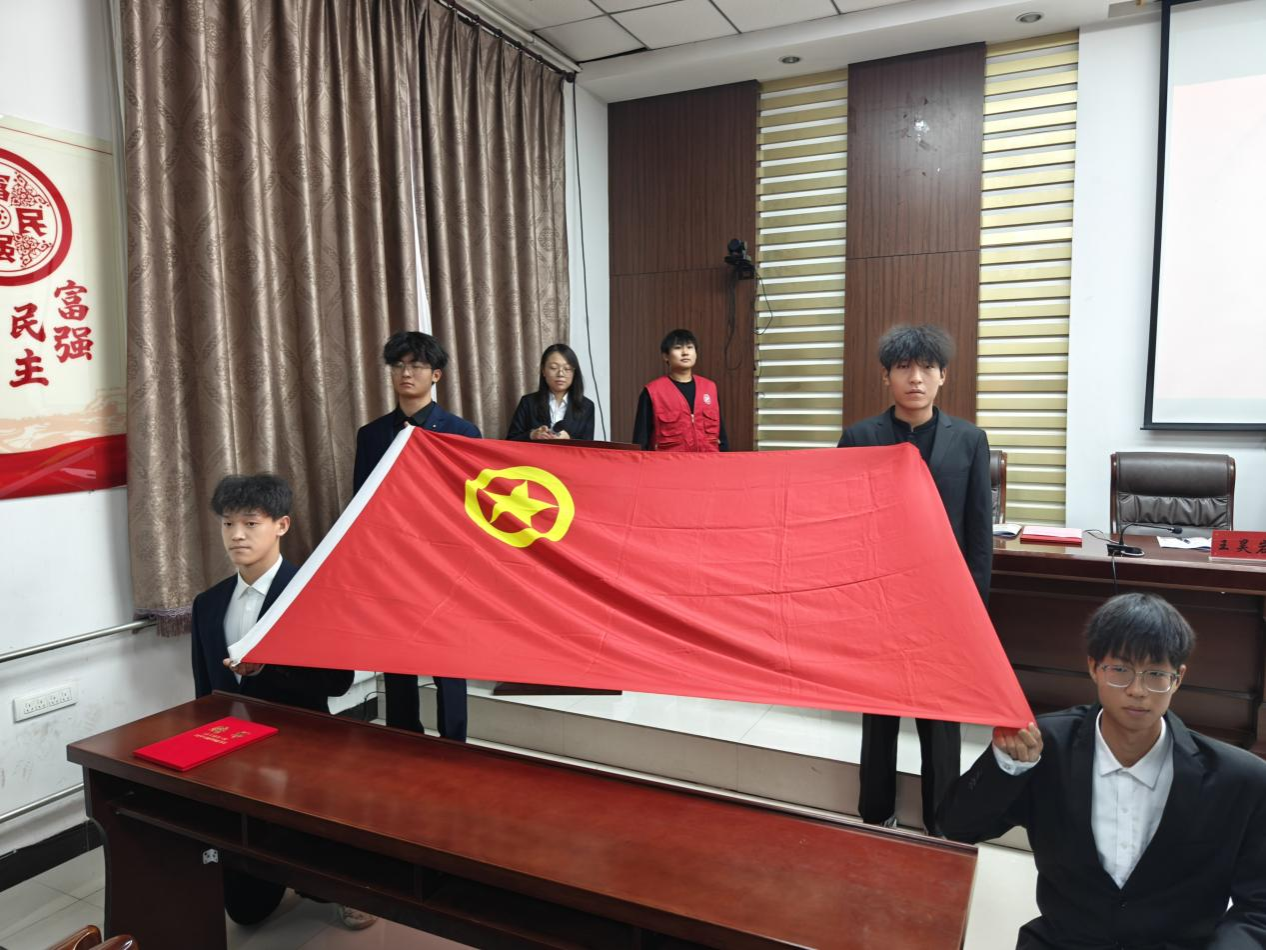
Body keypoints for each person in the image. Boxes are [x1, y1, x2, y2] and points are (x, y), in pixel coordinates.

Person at [939, 593, 1266, 948]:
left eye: (1156, 674)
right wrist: (1008, 767)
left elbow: (1258, 908)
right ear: (1094, 667)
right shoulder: (1044, 747)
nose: (1137, 691)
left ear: (1178, 678)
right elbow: (957, 827)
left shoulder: (1240, 779)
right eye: (1120, 670)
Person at [192, 473, 373, 931]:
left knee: (317, 842)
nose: (237, 535)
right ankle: (268, 874)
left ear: (282, 525)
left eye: (251, 523)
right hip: (238, 749)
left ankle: (345, 887)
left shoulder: (313, 595)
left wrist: (269, 668)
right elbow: (205, 690)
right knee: (245, 910)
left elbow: (338, 682)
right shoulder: (208, 603)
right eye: (228, 523)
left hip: (304, 744)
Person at [837, 323, 991, 835]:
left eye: (927, 368)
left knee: (941, 718)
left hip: (943, 602)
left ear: (943, 376)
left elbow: (978, 532)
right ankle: (875, 811)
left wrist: (973, 608)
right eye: (904, 368)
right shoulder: (860, 438)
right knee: (878, 713)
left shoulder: (969, 440)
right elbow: (842, 526)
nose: (916, 378)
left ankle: (941, 822)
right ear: (887, 377)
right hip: (878, 599)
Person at [353, 330, 479, 742]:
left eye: (417, 366)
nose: (406, 373)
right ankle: (403, 741)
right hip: (393, 566)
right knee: (398, 662)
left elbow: (475, 507)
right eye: (398, 365)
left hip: (446, 566)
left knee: (449, 666)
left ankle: (454, 744)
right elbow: (362, 506)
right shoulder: (372, 435)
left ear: (436, 374)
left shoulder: (462, 432)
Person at [632, 328, 728, 451]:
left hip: (708, 460)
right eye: (678, 348)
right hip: (669, 461)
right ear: (666, 356)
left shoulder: (710, 388)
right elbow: (640, 440)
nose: (685, 352)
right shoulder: (652, 392)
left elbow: (721, 437)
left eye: (690, 347)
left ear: (696, 353)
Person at [505, 343, 596, 441]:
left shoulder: (586, 406)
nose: (560, 374)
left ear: (574, 373)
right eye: (553, 368)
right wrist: (532, 435)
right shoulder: (528, 402)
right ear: (543, 371)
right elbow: (511, 440)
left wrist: (569, 439)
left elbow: (589, 446)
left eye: (567, 369)